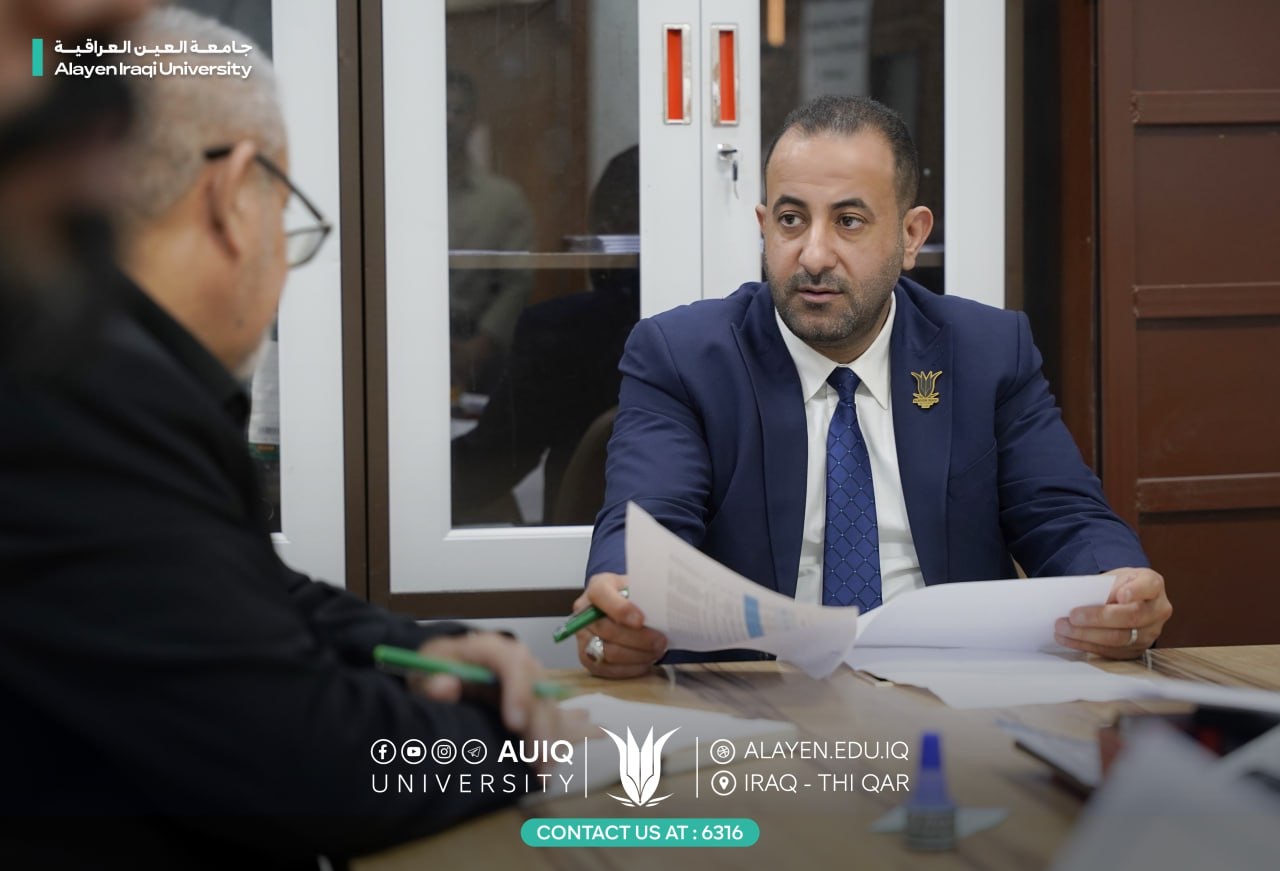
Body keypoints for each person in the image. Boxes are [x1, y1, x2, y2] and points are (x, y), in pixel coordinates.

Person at [0, 9, 573, 867]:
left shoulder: (105, 377)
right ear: (235, 196)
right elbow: (312, 764)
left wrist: (415, 647)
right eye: (289, 220)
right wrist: (511, 733)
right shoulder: (83, 394)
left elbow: (236, 587)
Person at [573, 95, 1173, 678]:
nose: (813, 255)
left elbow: (1063, 516)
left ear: (911, 236)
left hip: (951, 694)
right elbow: (647, 523)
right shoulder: (683, 358)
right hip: (759, 699)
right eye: (790, 220)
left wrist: (1119, 588)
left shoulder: (987, 352)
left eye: (849, 222)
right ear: (763, 228)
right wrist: (624, 605)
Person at [452, 145, 640, 525]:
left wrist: (397, 475)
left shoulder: (567, 330)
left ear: (607, 230)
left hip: (581, 546)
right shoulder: (740, 329)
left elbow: (491, 466)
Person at [445, 68, 535, 392]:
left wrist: (480, 346)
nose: (448, 119)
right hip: (401, 339)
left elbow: (518, 282)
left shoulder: (504, 199)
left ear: (473, 119)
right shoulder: (393, 195)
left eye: (458, 110)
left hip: (481, 350)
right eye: (441, 108)